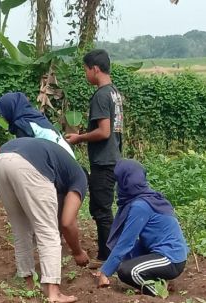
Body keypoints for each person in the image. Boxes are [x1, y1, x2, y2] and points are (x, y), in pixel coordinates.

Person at [0, 138, 90, 303]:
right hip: (27, 165)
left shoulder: (61, 167)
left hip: (0, 161)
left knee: (20, 227)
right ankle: (53, 292)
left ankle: (27, 283)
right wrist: (78, 252)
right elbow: (67, 222)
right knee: (48, 230)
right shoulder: (80, 177)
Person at [94, 160, 188, 296]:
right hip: (163, 252)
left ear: (124, 182)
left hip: (170, 258)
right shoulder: (147, 197)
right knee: (127, 255)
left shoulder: (140, 206)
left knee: (128, 271)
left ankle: (160, 289)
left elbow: (126, 242)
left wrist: (105, 272)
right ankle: (159, 280)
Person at [65, 49, 124, 263]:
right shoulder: (114, 92)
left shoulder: (100, 95)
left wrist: (79, 138)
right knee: (102, 208)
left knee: (101, 210)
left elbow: (104, 131)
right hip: (113, 158)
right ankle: (108, 253)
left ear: (95, 69)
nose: (85, 74)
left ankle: (107, 257)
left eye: (85, 70)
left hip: (104, 161)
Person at [0, 92, 74, 156]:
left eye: (3, 113)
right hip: (67, 158)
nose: (3, 116)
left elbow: (26, 155)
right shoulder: (34, 117)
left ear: (9, 110)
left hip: (60, 162)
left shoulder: (23, 125)